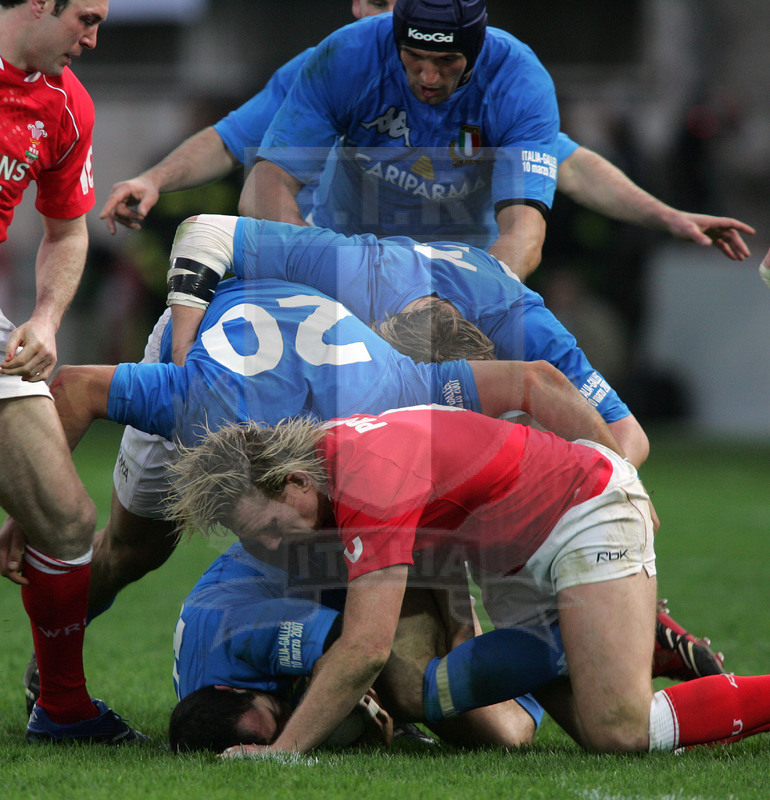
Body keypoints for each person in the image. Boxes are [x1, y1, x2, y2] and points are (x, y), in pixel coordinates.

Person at [166, 407, 770, 756]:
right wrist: (458, 626)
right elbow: (434, 534)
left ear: (295, 483)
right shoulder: (334, 461)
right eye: (254, 541)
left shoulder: (364, 478)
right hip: (510, 559)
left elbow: (366, 648)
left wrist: (281, 753)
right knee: (575, 728)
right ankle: (614, 635)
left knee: (622, 730)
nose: (272, 550)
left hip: (579, 509)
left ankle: (613, 632)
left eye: (271, 529)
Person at [99, 5, 754, 265]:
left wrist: (666, 215)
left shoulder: (512, 80)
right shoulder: (336, 61)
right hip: (344, 258)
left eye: (381, 2)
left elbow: (571, 166)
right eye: (363, 4)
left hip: (458, 269)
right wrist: (154, 178)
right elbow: (232, 142)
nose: (366, 14)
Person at [164, 214, 649, 466]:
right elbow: (204, 233)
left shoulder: (527, 328)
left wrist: (609, 496)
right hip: (219, 350)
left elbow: (630, 437)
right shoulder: (356, 269)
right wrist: (182, 354)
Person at [167, 536, 724, 754]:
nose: (285, 711)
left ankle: (605, 626)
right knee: (512, 735)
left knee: (420, 694)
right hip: (347, 576)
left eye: (275, 708)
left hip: (375, 553)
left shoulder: (237, 637)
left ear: (229, 688)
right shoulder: (207, 711)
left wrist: (293, 742)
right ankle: (600, 636)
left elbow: (358, 647)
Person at [0, 0, 145, 744]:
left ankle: (61, 708)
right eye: (84, 18)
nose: (91, 39)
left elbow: (65, 230)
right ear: (36, 4)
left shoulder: (65, 105)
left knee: (64, 520)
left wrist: (48, 319)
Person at [240, 0, 560, 279]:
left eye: (446, 60)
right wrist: (319, 261)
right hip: (346, 252)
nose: (428, 76)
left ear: (476, 50)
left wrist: (471, 297)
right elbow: (263, 187)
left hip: (463, 265)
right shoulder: (349, 54)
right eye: (414, 55)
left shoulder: (521, 82)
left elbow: (524, 233)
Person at [99, 1, 398, 234]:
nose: (388, 19)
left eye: (401, 7)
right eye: (378, 4)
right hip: (317, 253)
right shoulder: (321, 67)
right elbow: (229, 140)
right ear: (356, 5)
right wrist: (152, 179)